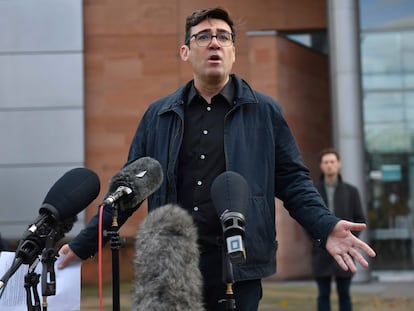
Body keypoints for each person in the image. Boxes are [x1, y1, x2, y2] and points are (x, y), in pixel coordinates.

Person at [58, 7, 376, 311]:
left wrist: (327, 225)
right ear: (185, 52)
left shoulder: (264, 113)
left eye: (223, 36)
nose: (214, 42)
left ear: (233, 52)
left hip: (237, 266)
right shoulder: (158, 116)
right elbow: (128, 192)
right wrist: (83, 244)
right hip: (172, 267)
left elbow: (294, 183)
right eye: (203, 36)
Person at [312, 148, 366, 311]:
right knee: (323, 294)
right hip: (320, 251)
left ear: (339, 164)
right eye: (326, 162)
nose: (329, 165)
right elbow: (306, 222)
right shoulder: (312, 191)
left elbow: (360, 218)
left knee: (345, 294)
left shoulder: (351, 191)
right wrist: (320, 240)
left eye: (332, 162)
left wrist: (348, 240)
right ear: (321, 166)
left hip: (345, 251)